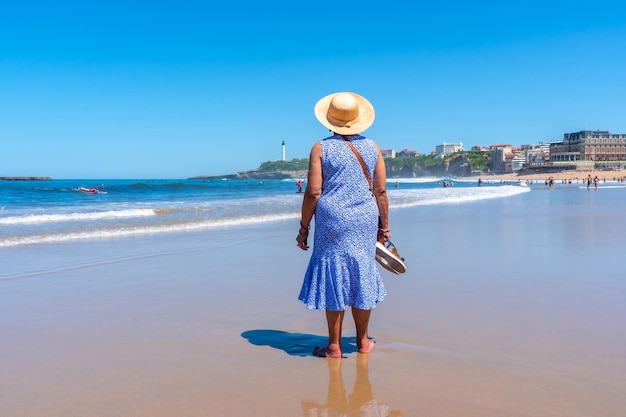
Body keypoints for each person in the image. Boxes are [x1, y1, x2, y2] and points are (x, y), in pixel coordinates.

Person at [296, 92, 390, 358]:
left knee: (334, 276)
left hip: (331, 219)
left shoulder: (320, 147)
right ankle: (362, 342)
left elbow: (314, 192)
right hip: (364, 218)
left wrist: (304, 229)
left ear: (329, 120)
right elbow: (381, 192)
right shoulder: (372, 148)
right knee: (361, 271)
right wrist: (385, 228)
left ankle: (334, 346)